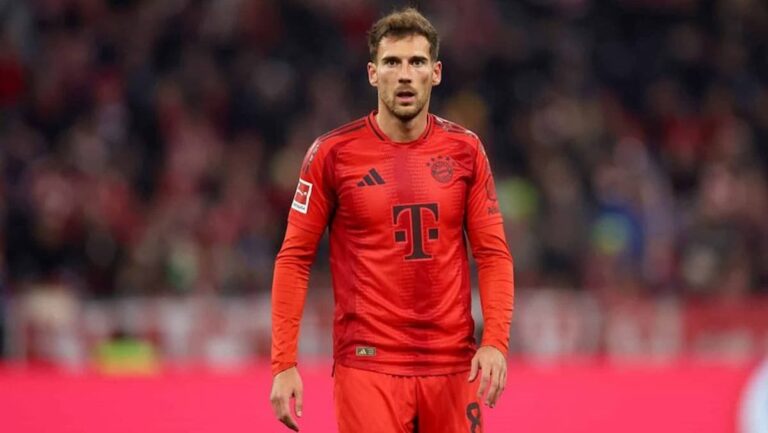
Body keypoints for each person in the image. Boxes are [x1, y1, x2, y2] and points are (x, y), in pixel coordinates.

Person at [269, 7, 514, 433]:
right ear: (371, 73)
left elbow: (493, 254)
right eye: (392, 62)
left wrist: (495, 342)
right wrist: (283, 363)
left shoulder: (466, 150)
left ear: (436, 73)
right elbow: (294, 257)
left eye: (416, 62)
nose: (404, 74)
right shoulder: (332, 154)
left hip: (452, 364)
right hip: (368, 365)